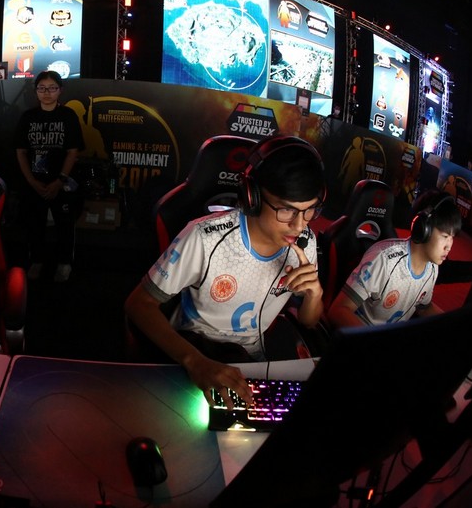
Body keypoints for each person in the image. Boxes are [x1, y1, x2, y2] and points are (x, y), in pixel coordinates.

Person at [124, 135, 327, 408]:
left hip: (254, 359)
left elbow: (309, 322)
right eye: (287, 211)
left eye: (310, 211)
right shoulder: (205, 238)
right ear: (253, 197)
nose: (299, 225)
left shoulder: (306, 242)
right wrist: (195, 361)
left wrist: (314, 296)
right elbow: (138, 304)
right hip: (196, 352)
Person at [327, 189, 461, 328]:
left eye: (452, 237)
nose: (449, 246)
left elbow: (423, 308)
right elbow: (338, 311)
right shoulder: (384, 260)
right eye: (445, 236)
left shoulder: (432, 268)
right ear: (422, 229)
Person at [14, 70, 83, 282]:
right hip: (35, 181)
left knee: (65, 224)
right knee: (34, 225)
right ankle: (36, 261)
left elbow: (73, 151)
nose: (46, 93)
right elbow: (20, 151)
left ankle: (65, 263)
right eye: (42, 88)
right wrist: (31, 181)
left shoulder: (68, 116)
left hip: (61, 182)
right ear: (35, 91)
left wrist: (60, 180)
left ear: (60, 90)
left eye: (52, 88)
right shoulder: (28, 117)